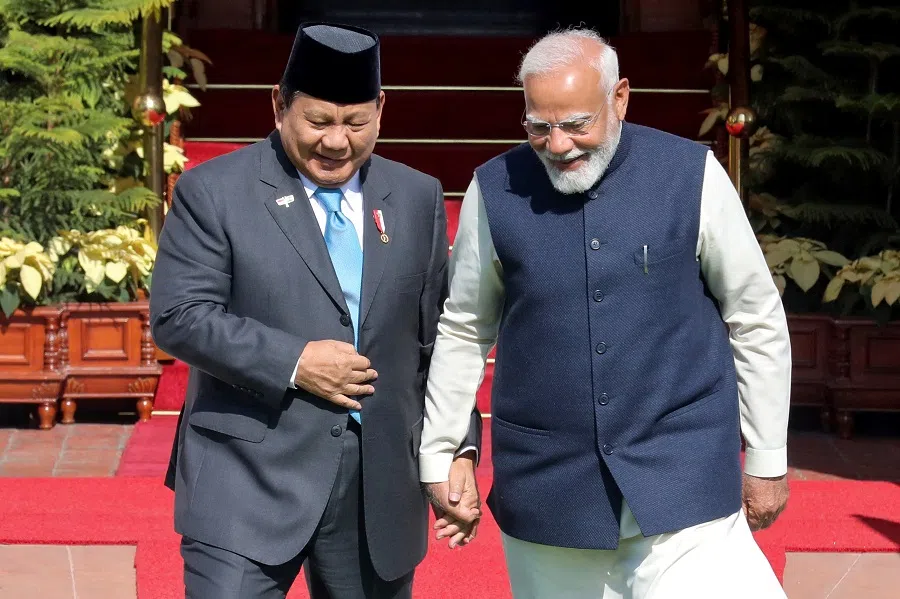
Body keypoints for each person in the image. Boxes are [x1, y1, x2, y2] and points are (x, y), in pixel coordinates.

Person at [418, 27, 792, 599]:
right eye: (539, 126)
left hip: (685, 475)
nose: (558, 143)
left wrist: (766, 454)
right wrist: (445, 450)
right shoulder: (493, 189)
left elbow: (754, 314)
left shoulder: (691, 175)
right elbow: (465, 326)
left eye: (576, 124)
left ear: (619, 98)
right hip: (549, 488)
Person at [150, 22, 482, 599]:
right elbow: (179, 315)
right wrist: (295, 362)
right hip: (246, 473)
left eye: (356, 123)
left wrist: (457, 446)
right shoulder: (215, 191)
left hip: (376, 483)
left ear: (382, 109)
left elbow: (436, 342)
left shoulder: (416, 197)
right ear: (278, 105)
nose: (336, 142)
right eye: (318, 122)